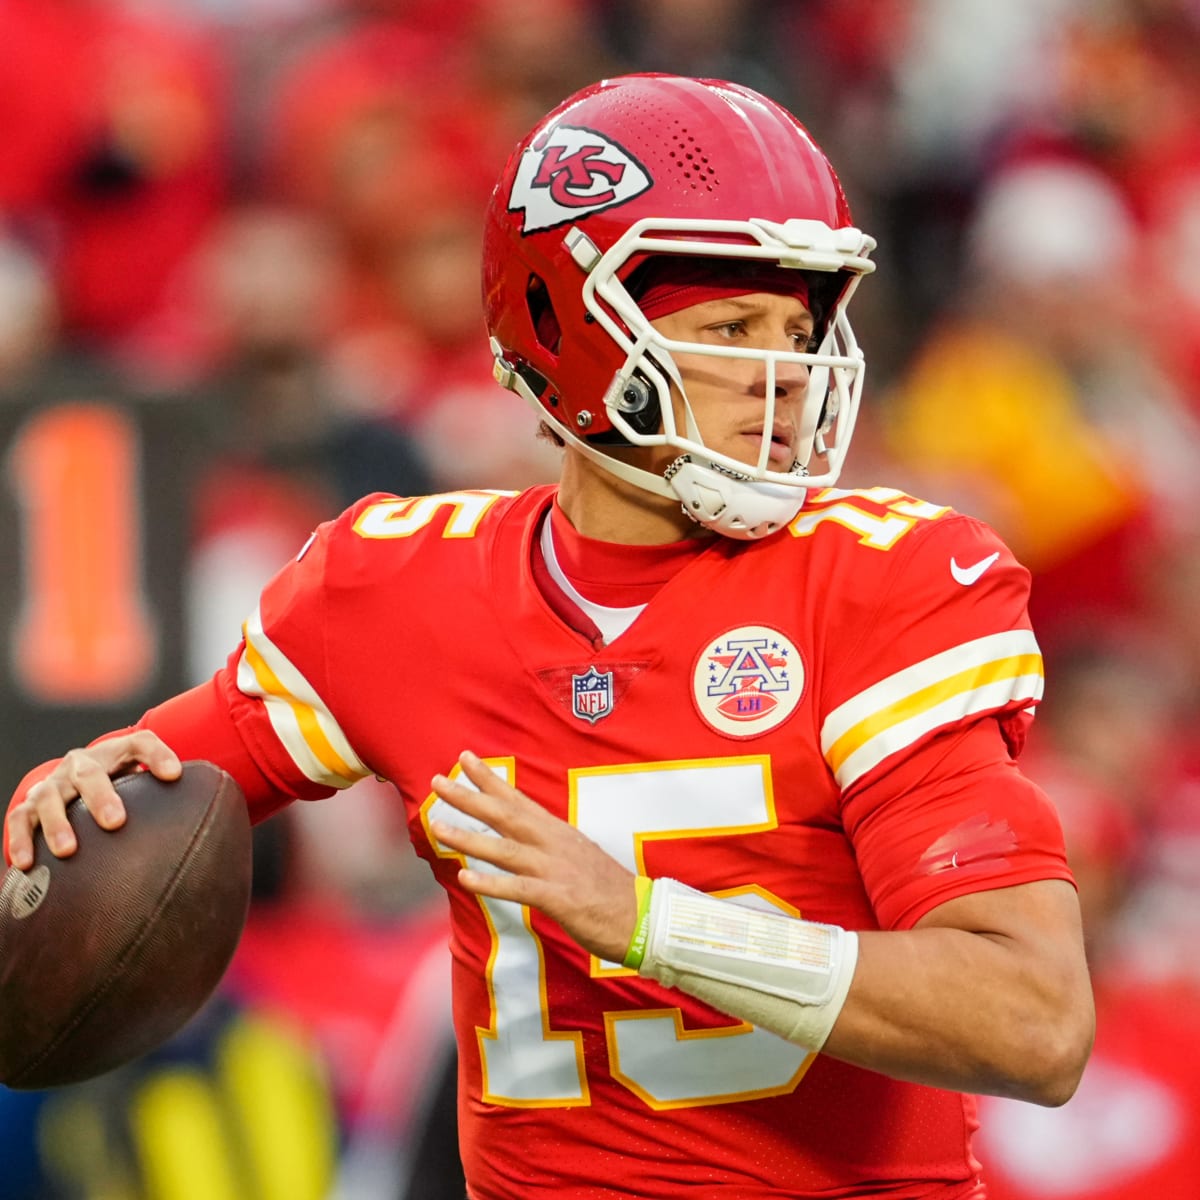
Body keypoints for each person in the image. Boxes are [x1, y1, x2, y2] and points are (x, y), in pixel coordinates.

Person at [5, 74, 1094, 1199]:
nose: (790, 381)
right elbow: (146, 796)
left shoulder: (887, 581)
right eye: (732, 329)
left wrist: (645, 923)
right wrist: (64, 800)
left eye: (802, 328)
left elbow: (1033, 1019)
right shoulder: (395, 587)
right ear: (565, 329)